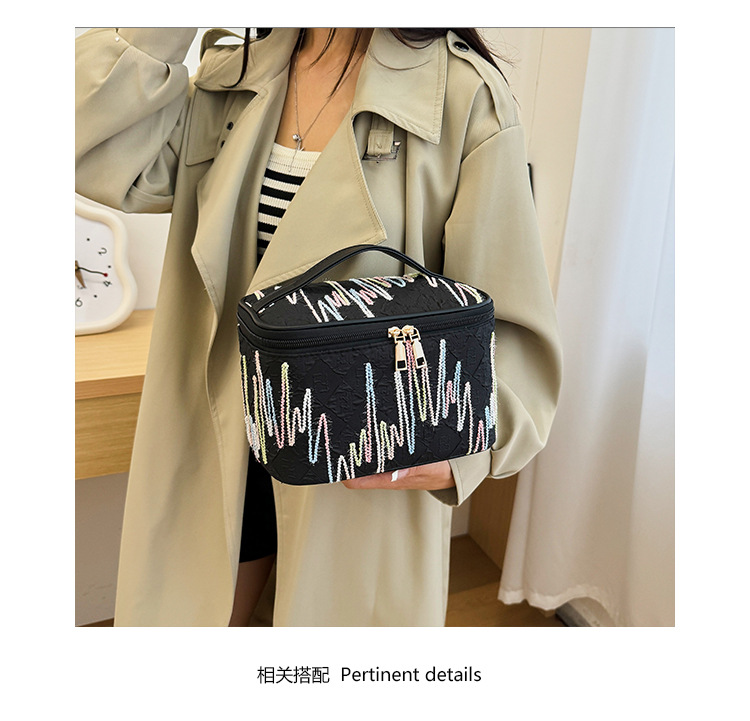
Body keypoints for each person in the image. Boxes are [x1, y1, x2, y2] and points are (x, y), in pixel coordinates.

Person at [75, 27, 562, 627]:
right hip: (217, 442)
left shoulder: (464, 99)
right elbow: (87, 144)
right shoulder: (231, 77)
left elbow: (512, 326)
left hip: (359, 470)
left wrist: (471, 448)